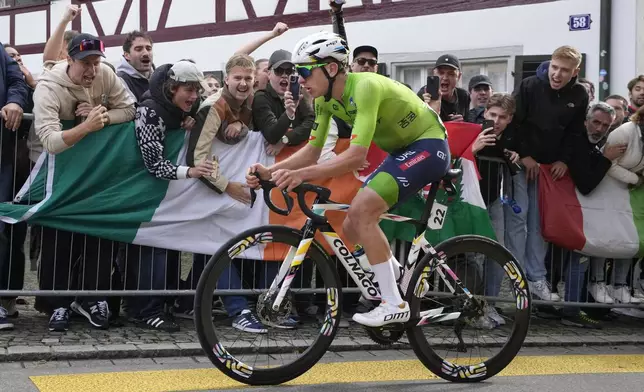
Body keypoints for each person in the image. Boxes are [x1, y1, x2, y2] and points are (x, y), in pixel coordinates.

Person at [246, 31, 450, 328]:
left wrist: (298, 175)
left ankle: (393, 303)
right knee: (353, 222)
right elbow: (312, 151)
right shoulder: (324, 101)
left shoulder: (364, 86)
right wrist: (272, 172)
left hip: (429, 145)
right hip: (402, 150)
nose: (299, 79)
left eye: (304, 71)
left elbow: (355, 156)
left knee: (363, 210)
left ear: (330, 69)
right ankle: (401, 278)